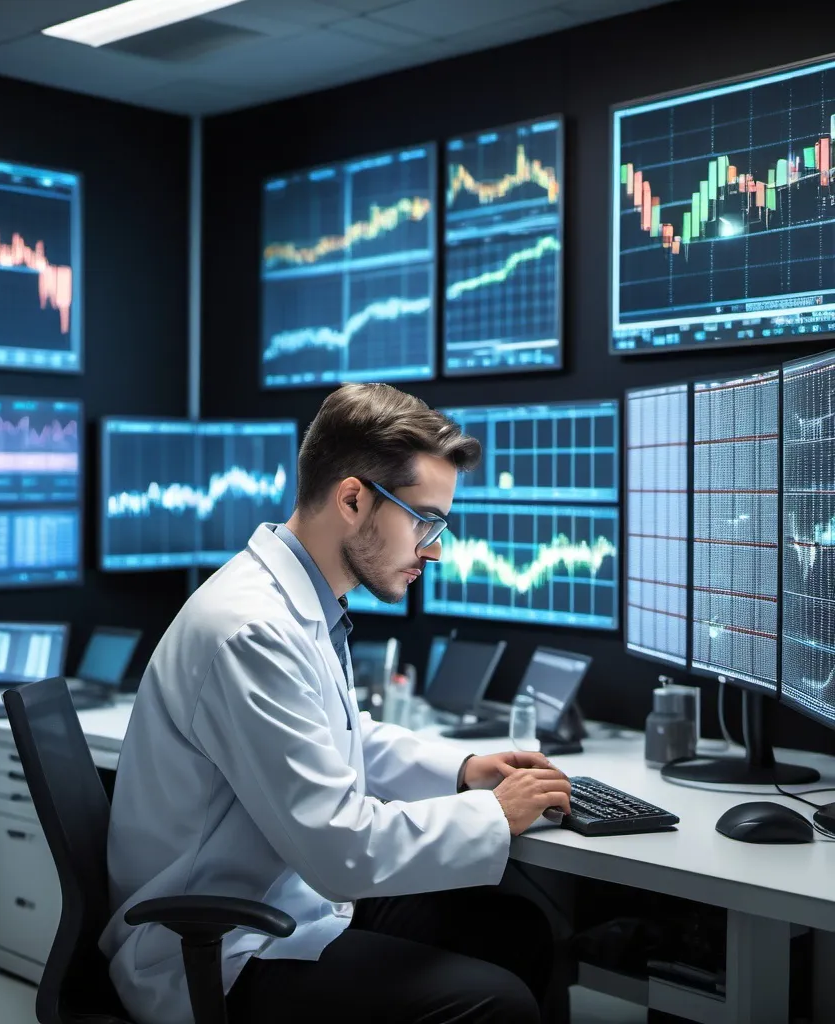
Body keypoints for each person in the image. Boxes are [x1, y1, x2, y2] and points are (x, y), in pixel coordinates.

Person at [100, 383, 573, 1024]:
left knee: (516, 930)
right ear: (353, 498)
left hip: (283, 899)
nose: (432, 550)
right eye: (423, 522)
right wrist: (491, 815)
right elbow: (339, 851)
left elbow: (341, 735)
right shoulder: (251, 629)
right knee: (498, 1003)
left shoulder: (299, 601)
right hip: (218, 949)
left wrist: (460, 772)